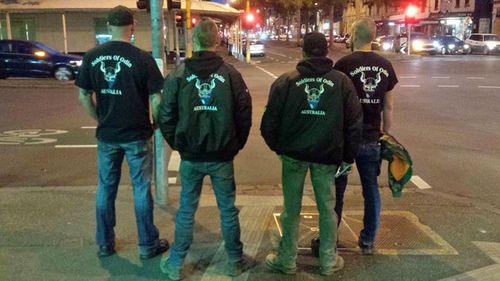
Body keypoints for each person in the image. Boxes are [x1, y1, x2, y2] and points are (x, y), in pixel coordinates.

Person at [261, 32, 363, 276]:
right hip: (327, 157)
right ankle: (328, 260)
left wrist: (280, 147)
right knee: (327, 208)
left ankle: (286, 259)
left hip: (293, 155)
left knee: (291, 209)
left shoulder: (286, 81)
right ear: (326, 50)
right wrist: (348, 157)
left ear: (303, 51)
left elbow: (268, 123)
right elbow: (354, 124)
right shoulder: (341, 83)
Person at [157, 18, 252, 281]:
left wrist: (179, 143)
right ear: (217, 41)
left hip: (190, 156)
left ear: (194, 41)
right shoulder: (231, 75)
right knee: (228, 209)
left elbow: (165, 114)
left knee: (187, 209)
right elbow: (244, 113)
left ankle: (176, 264)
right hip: (222, 156)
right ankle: (234, 261)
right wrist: (234, 144)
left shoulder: (178, 74)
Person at [75, 5, 168, 259]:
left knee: (106, 188)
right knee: (140, 188)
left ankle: (105, 243)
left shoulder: (92, 57)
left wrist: (100, 118)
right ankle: (147, 245)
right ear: (132, 28)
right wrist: (156, 124)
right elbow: (157, 99)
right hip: (137, 134)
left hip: (107, 135)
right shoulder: (142, 58)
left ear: (109, 27)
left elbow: (84, 95)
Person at [334, 17, 398, 255]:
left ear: (353, 34)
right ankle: (368, 239)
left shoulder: (342, 65)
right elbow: (388, 107)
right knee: (370, 189)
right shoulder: (386, 66)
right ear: (373, 36)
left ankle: (331, 236)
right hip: (372, 138)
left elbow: (336, 106)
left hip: (345, 141)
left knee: (337, 190)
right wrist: (386, 136)